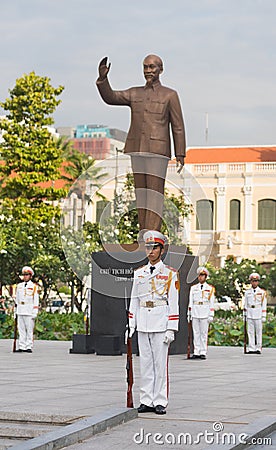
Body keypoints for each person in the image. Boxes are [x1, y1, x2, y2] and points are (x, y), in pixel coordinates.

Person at [96, 55, 186, 233]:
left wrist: (180, 153)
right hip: (136, 149)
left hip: (158, 151)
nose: (148, 71)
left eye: (152, 67)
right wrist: (103, 79)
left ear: (160, 69)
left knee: (154, 193)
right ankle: (143, 234)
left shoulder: (170, 95)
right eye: (145, 67)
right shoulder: (134, 93)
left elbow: (178, 126)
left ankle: (153, 235)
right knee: (141, 193)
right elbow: (111, 97)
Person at [126, 230, 179, 415]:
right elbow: (134, 299)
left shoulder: (170, 273)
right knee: (145, 363)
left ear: (161, 250)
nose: (151, 251)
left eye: (154, 247)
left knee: (160, 364)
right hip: (143, 321)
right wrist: (131, 323)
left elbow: (173, 301)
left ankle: (160, 400)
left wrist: (171, 328)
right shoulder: (139, 273)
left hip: (160, 320)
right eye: (148, 247)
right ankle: (146, 399)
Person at [187, 267, 215, 360]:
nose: (200, 277)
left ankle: (203, 351)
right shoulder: (193, 288)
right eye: (199, 275)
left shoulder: (210, 289)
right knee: (196, 333)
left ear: (206, 277)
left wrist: (211, 314)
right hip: (195, 311)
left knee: (203, 333)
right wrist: (189, 313)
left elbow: (211, 302)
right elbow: (190, 301)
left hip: (205, 311)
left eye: (202, 275)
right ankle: (196, 351)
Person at [14, 266, 39, 353]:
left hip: (29, 310)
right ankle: (22, 346)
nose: (25, 276)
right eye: (24, 275)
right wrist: (15, 311)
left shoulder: (34, 286)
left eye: (27, 275)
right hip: (20, 309)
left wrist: (35, 311)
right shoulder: (19, 286)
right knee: (21, 329)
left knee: (29, 329)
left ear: (30, 276)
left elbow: (36, 300)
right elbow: (17, 299)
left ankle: (28, 346)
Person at [244, 272, 267, 354]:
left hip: (258, 313)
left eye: (256, 281)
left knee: (258, 332)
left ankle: (258, 348)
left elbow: (264, 304)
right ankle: (251, 348)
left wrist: (264, 315)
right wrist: (245, 315)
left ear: (258, 282)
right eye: (253, 281)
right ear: (250, 282)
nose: (254, 283)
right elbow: (245, 304)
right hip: (250, 312)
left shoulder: (262, 292)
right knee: (250, 332)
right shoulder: (247, 292)